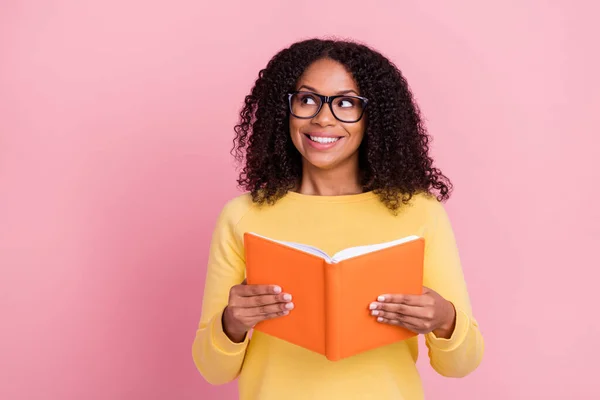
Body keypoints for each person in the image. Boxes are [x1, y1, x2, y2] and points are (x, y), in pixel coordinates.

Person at [192, 38, 484, 400]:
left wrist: (445, 320)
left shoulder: (420, 213)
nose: (322, 118)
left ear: (372, 117)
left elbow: (461, 364)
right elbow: (212, 370)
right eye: (307, 99)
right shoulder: (242, 216)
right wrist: (231, 322)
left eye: (346, 103)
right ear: (285, 109)